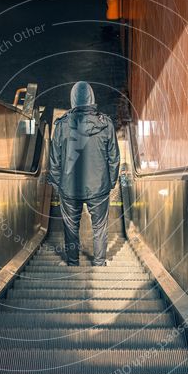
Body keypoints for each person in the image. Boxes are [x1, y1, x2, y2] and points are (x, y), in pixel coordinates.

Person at [48, 81, 120, 266]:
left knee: (71, 227)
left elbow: (55, 159)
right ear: (92, 98)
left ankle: (72, 263)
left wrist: (58, 184)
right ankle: (99, 263)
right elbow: (114, 157)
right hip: (99, 186)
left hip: (69, 188)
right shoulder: (106, 124)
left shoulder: (62, 125)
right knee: (99, 227)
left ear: (73, 100)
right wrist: (110, 182)